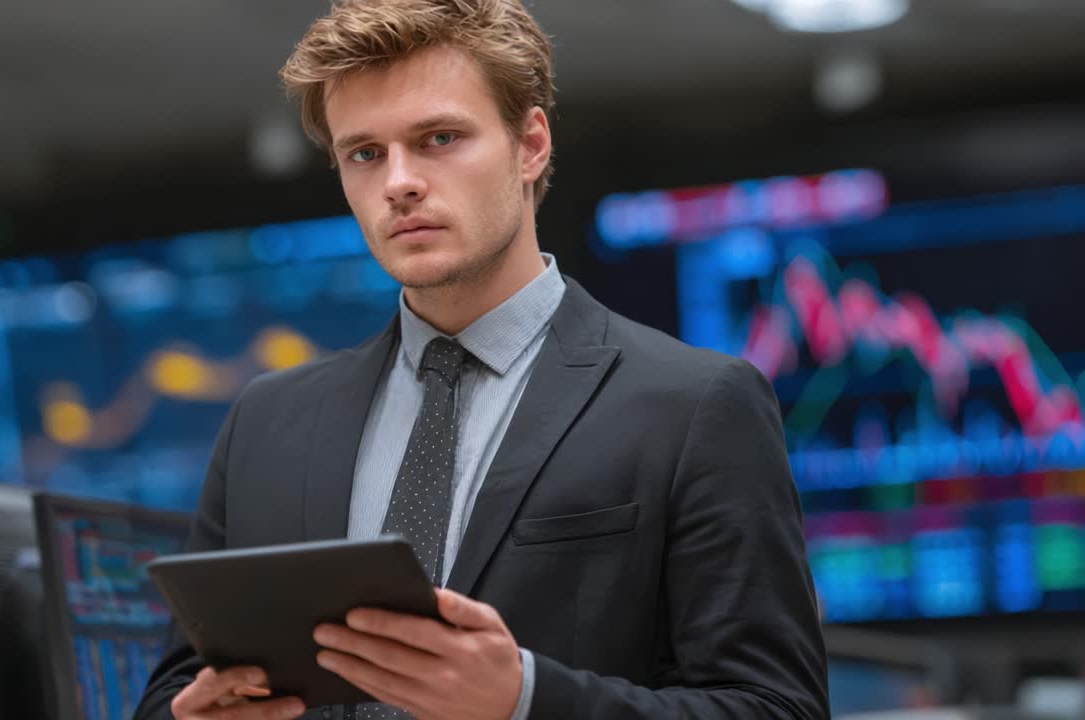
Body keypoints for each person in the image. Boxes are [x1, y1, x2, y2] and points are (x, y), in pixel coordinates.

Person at [134, 1, 828, 718]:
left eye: (438, 138)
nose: (398, 182)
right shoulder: (267, 422)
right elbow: (172, 693)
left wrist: (525, 700)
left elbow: (777, 708)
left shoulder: (696, 405)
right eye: (364, 153)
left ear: (530, 146)